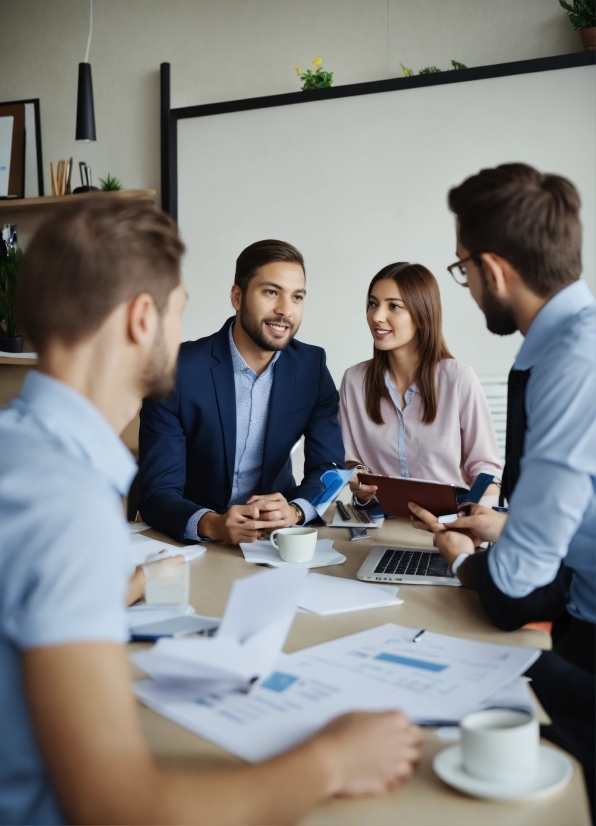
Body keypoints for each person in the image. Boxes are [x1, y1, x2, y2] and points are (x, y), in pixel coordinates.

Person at [0, 198, 422, 826]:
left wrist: (110, 584)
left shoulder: (17, 446)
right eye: (179, 311)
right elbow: (121, 811)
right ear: (145, 318)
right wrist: (331, 760)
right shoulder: (70, 507)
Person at [408, 163, 595, 815]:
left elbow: (514, 591)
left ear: (493, 270)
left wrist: (464, 557)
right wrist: (507, 527)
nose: (467, 287)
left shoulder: (573, 362)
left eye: (462, 271)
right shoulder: (574, 340)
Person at [138, 239, 345, 545]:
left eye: (297, 297)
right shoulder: (177, 370)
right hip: (194, 540)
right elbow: (156, 491)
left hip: (274, 541)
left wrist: (294, 511)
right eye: (271, 292)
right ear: (237, 296)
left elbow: (329, 468)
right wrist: (211, 524)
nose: (285, 310)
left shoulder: (311, 368)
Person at [339, 262, 502, 504]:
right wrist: (357, 477)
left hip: (447, 523)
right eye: (373, 304)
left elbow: (487, 472)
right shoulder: (354, 381)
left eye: (393, 306)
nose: (377, 316)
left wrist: (470, 522)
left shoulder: (458, 379)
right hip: (380, 523)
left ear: (422, 315)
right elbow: (351, 461)